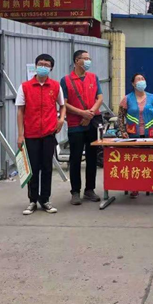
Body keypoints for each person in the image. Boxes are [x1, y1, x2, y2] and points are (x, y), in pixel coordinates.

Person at [16, 54, 65, 215]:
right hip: (31, 134)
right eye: (41, 64)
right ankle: (32, 200)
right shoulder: (25, 87)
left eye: (47, 65)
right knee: (33, 168)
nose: (43, 67)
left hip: (48, 133)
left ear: (51, 68)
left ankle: (45, 200)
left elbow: (62, 105)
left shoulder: (55, 86)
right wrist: (20, 135)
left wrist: (61, 119)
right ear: (36, 66)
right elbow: (20, 111)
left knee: (47, 168)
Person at [62, 50, 103, 206]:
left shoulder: (93, 77)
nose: (88, 61)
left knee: (92, 157)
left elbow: (100, 98)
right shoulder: (66, 80)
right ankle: (75, 191)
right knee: (75, 158)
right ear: (76, 61)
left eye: (89, 58)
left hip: (92, 122)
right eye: (85, 58)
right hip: (75, 125)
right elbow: (64, 103)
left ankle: (89, 189)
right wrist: (82, 113)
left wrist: (90, 113)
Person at [117, 73, 153, 198]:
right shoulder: (127, 99)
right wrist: (123, 131)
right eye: (138, 79)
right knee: (135, 162)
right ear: (133, 84)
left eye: (143, 79)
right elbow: (120, 116)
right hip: (133, 136)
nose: (141, 81)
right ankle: (135, 187)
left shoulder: (152, 98)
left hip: (150, 136)